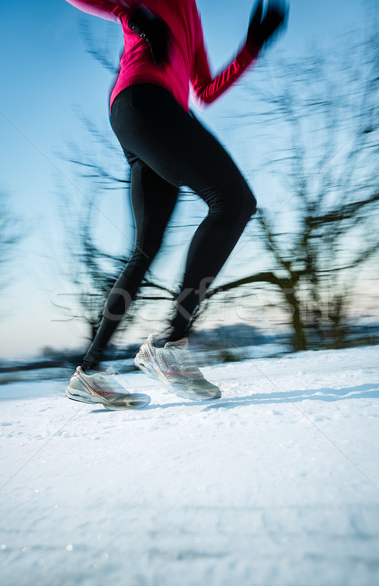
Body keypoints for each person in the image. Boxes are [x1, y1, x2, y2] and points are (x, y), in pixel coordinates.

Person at [64, 0, 287, 408]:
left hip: (150, 114)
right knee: (233, 201)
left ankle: (90, 372)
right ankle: (170, 344)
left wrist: (252, 47)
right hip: (144, 103)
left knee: (145, 250)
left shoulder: (190, 12)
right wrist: (130, 13)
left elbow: (204, 89)